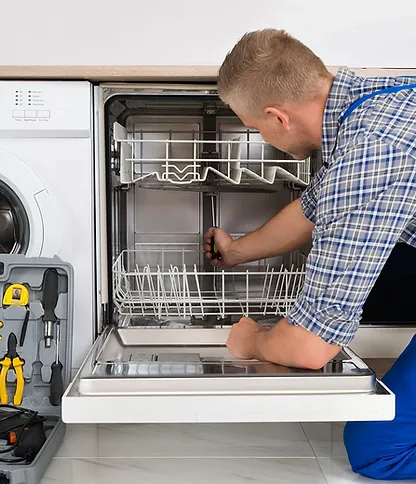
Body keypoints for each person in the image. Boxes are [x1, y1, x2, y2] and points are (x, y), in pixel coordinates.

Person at [204, 29, 416, 480]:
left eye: (253, 127)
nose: (259, 136)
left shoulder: (371, 153)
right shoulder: (369, 102)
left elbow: (310, 349)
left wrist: (253, 341)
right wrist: (237, 251)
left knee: (378, 449)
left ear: (277, 117)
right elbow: (316, 208)